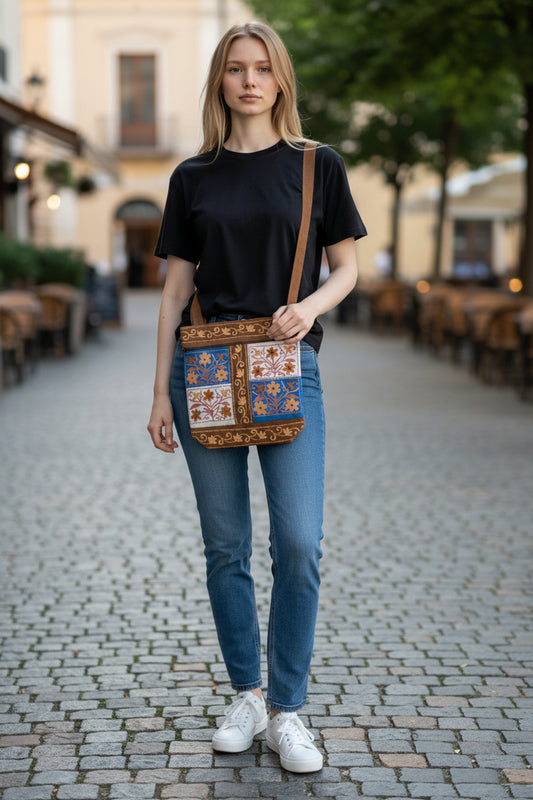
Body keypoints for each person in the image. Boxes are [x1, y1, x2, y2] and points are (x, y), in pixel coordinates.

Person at [148, 21, 367, 774]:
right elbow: (175, 291)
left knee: (299, 545)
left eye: (262, 68)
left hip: (286, 363)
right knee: (225, 547)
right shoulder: (192, 177)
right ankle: (245, 692)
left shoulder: (316, 166)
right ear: (220, 81)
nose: (249, 80)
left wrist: (310, 308)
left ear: (280, 80)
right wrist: (156, 395)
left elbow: (347, 271)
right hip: (203, 374)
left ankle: (286, 708)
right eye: (236, 69)